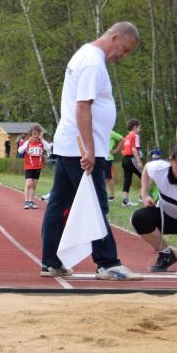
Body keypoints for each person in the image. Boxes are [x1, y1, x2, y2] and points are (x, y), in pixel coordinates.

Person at [40, 21, 142, 280]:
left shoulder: (85, 55)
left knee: (58, 203)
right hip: (81, 148)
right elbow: (82, 107)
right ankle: (108, 263)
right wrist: (89, 148)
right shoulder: (93, 62)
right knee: (96, 204)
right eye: (125, 49)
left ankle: (51, 262)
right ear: (115, 37)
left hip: (70, 144)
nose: (123, 56)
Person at [129, 144, 177, 272]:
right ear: (170, 161)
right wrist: (144, 194)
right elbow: (147, 168)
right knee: (139, 218)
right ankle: (166, 255)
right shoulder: (160, 169)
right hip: (166, 218)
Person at [111, 119, 142, 206]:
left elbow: (122, 151)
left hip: (124, 160)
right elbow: (134, 149)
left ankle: (125, 201)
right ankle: (142, 197)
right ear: (135, 127)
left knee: (127, 180)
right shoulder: (135, 136)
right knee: (145, 177)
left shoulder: (126, 137)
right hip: (132, 159)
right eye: (139, 127)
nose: (140, 130)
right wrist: (138, 161)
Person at [18, 125, 50, 209]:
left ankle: (31, 202)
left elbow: (48, 148)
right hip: (29, 166)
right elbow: (20, 151)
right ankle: (26, 202)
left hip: (38, 166)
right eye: (34, 134)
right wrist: (27, 143)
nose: (36, 136)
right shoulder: (27, 142)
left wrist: (42, 139)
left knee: (34, 185)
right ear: (31, 134)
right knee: (29, 183)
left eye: (37, 134)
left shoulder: (41, 143)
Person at [105, 130, 122, 201]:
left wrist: (116, 150)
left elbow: (122, 139)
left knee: (107, 177)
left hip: (108, 157)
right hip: (99, 157)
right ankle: (110, 195)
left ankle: (111, 196)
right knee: (107, 176)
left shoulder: (111, 132)